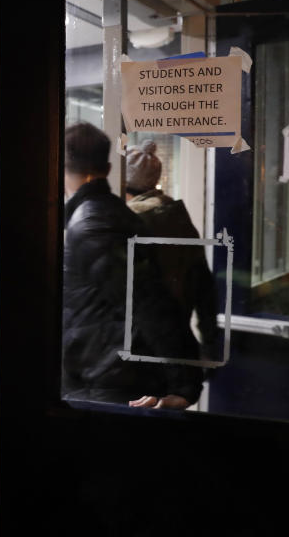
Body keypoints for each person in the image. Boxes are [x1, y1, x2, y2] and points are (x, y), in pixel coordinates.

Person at [62, 123, 201, 409]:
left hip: (105, 380)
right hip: (107, 372)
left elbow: (147, 301)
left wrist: (185, 383)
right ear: (109, 167)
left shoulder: (93, 224)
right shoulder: (112, 214)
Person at [124, 140, 220, 362]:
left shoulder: (132, 221)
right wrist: (209, 341)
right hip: (175, 343)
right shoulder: (178, 218)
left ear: (123, 184)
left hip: (138, 345)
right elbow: (204, 286)